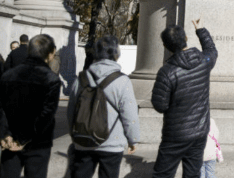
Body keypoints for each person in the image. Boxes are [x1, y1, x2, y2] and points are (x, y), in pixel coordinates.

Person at [151, 19, 218, 178]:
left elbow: (160, 105)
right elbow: (211, 49)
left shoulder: (167, 72)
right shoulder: (204, 61)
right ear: (186, 38)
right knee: (192, 174)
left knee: (162, 174)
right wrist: (200, 29)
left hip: (175, 133)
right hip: (199, 131)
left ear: (165, 46)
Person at [67, 35, 140, 178]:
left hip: (83, 140)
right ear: (116, 54)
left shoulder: (81, 78)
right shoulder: (122, 80)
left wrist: (74, 134)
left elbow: (71, 111)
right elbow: (129, 114)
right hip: (112, 142)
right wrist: (133, 139)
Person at [0, 34, 61, 178]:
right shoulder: (51, 79)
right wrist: (22, 139)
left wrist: (3, 134)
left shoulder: (8, 75)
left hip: (10, 140)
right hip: (37, 142)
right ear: (51, 52)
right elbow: (46, 115)